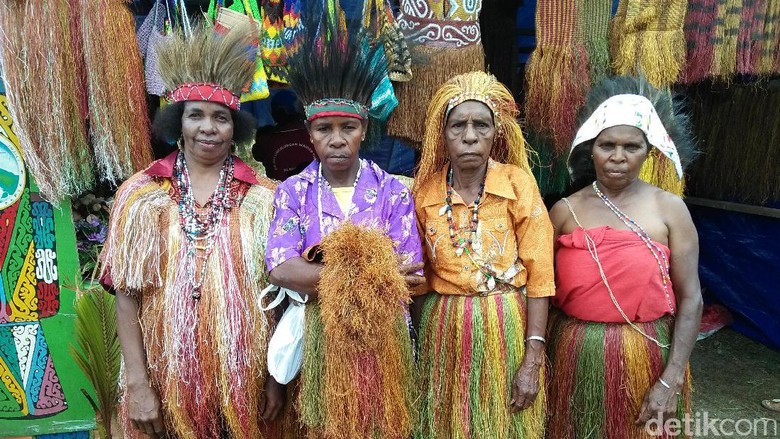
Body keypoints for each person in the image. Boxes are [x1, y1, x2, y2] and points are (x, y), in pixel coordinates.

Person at [100, 23, 285, 438]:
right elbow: (126, 297)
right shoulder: (142, 193)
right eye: (195, 115)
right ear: (177, 122)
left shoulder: (265, 199)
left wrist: (276, 378)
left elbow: (281, 302)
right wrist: (138, 385)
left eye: (220, 117)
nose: (207, 127)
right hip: (164, 386)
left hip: (246, 386)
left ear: (235, 127)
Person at [264, 3, 424, 438]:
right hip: (319, 338)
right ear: (309, 133)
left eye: (348, 127)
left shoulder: (394, 190)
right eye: (324, 129)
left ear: (364, 129)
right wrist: (368, 272)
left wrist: (320, 272)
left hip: (382, 337)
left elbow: (409, 273)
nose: (337, 140)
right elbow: (280, 267)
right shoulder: (292, 191)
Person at [546, 76, 703, 438]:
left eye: (631, 146)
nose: (618, 157)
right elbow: (543, 291)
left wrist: (671, 378)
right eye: (607, 145)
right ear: (590, 149)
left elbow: (691, 298)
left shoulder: (670, 209)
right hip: (575, 353)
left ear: (648, 150)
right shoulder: (564, 211)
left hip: (646, 357)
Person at [412, 71, 554, 439]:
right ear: (441, 135)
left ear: (497, 132)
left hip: (504, 324)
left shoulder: (517, 184)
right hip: (443, 327)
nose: (470, 136)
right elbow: (417, 274)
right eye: (458, 125)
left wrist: (533, 359)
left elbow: (540, 274)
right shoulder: (424, 191)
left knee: (504, 423)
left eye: (481, 125)